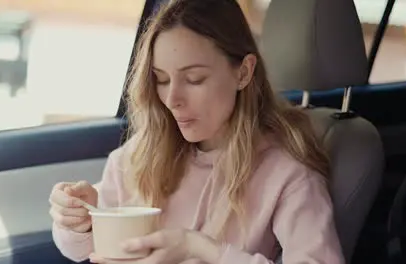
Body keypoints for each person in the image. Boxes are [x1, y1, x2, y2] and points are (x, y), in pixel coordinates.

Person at [49, 0, 345, 263]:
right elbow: (81, 249)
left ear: (243, 72)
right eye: (162, 79)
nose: (172, 99)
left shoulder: (287, 175)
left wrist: (201, 249)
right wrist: (81, 220)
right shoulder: (142, 153)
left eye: (194, 79)